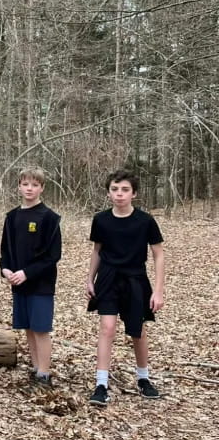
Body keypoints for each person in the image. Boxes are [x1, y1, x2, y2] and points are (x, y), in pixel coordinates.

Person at [86, 169, 165, 407]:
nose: (119, 194)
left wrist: (158, 290)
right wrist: (90, 279)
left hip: (135, 279)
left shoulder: (145, 221)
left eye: (125, 190)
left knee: (137, 331)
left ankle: (143, 379)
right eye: (115, 189)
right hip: (108, 279)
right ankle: (101, 384)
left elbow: (158, 255)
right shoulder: (101, 220)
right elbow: (97, 251)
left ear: (134, 193)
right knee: (107, 328)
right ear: (109, 192)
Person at [0, 166, 62, 391]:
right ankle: (36, 369)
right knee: (27, 328)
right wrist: (5, 270)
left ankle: (44, 375)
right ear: (18, 186)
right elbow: (5, 251)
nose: (29, 188)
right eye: (25, 184)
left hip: (41, 284)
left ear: (42, 188)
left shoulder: (50, 218)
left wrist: (27, 273)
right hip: (18, 283)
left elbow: (53, 256)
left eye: (34, 185)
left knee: (40, 329)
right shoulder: (12, 216)